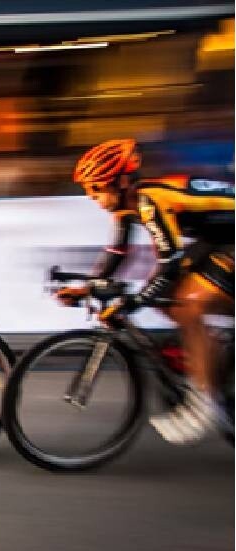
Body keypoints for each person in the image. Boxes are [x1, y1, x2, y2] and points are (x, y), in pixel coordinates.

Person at [60, 138, 234, 444]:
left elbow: (169, 263)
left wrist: (132, 303)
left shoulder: (150, 201)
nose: (92, 196)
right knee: (170, 300)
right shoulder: (128, 205)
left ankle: (203, 404)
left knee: (190, 303)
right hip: (218, 236)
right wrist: (88, 287)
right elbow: (117, 253)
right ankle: (210, 354)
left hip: (226, 238)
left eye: (97, 188)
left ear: (122, 181)